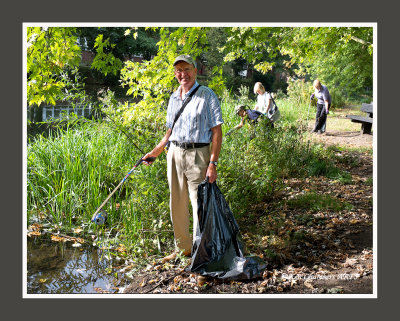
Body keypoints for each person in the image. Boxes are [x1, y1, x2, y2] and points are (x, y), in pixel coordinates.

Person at [142, 54, 223, 263]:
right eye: (178, 70)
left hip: (199, 154)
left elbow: (217, 132)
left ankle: (201, 256)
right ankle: (183, 249)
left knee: (200, 206)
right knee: (176, 202)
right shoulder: (173, 98)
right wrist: (156, 152)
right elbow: (169, 132)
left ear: (195, 71)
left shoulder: (207, 96)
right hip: (175, 154)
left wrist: (213, 163)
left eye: (186, 69)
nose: (182, 74)